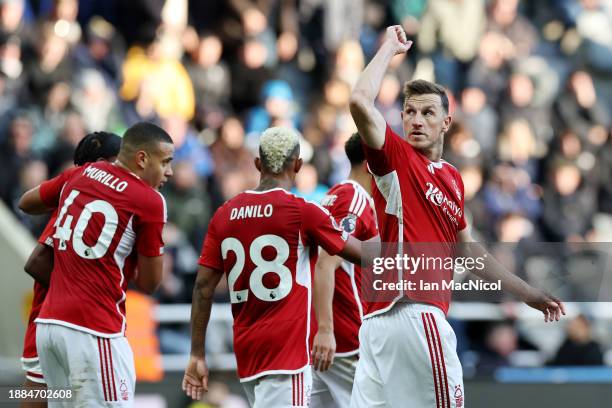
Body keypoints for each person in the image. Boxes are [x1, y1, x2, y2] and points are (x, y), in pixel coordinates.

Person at [348, 25, 565, 408]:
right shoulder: (397, 158)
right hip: (408, 313)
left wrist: (527, 292)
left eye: (427, 112)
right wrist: (387, 51)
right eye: (409, 112)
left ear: (446, 122)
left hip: (389, 323)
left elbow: (467, 251)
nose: (416, 120)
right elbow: (360, 101)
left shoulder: (452, 179)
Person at [182, 127, 367, 407]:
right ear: (298, 165)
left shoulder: (224, 214)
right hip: (286, 358)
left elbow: (202, 287)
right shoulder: (303, 211)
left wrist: (196, 353)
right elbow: (363, 254)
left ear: (258, 164)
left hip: (247, 355)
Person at [18, 122, 174, 407]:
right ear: (140, 158)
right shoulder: (149, 200)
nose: (170, 172)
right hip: (92, 328)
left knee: (37, 391)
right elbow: (151, 283)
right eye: (165, 162)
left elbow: (26, 203)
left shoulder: (80, 176)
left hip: (47, 325)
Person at [20, 131, 122, 407]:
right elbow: (36, 261)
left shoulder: (79, 200)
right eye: (120, 161)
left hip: (59, 319)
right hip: (60, 318)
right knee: (40, 391)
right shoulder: (82, 206)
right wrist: (76, 287)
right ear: (102, 163)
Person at [310, 133, 378, 407]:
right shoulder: (353, 200)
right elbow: (327, 260)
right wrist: (325, 330)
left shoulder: (332, 196)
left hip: (328, 343)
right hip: (347, 341)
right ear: (372, 164)